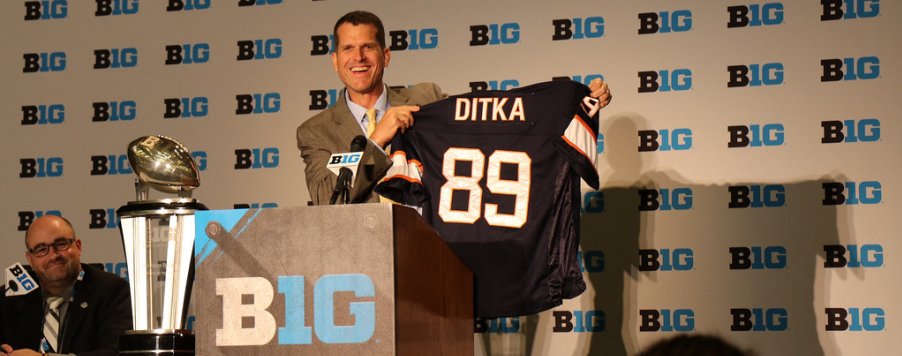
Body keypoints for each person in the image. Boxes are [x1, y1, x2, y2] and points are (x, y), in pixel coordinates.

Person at [297, 10, 613, 205]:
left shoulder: (425, 98)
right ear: (336, 60)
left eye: (368, 46)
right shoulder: (316, 132)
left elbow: (491, 118)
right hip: (361, 270)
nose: (359, 57)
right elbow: (328, 199)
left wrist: (570, 105)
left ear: (386, 55)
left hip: (431, 256)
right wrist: (378, 140)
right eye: (348, 48)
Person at [0, 216, 132, 356]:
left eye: (61, 244)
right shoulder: (10, 296)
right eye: (41, 249)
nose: (53, 255)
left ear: (78, 247)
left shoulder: (112, 290)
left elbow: (120, 352)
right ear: (30, 259)